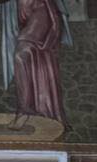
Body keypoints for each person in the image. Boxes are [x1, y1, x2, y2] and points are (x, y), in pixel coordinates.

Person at [8, 0, 71, 128]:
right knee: (36, 59)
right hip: (25, 11)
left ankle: (25, 111)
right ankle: (40, 109)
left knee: (22, 53)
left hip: (40, 9)